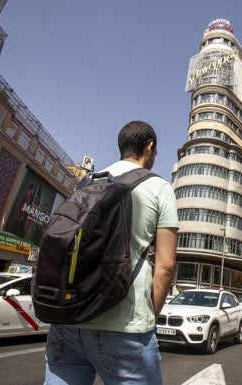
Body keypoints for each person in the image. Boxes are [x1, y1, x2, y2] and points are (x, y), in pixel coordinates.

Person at [43, 121, 179, 385]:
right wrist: (150, 315)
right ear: (149, 148)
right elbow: (166, 266)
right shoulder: (159, 187)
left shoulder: (87, 182)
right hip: (125, 325)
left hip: (68, 320)